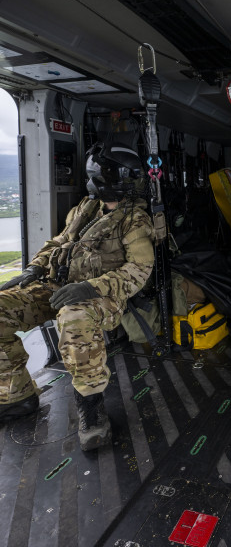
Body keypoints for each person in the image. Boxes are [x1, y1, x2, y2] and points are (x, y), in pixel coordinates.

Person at [0, 142, 155, 451]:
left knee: (75, 319)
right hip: (58, 287)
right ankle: (15, 396)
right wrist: (34, 268)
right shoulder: (85, 209)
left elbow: (140, 270)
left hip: (102, 296)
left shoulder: (134, 221)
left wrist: (90, 289)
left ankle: (92, 410)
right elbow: (59, 242)